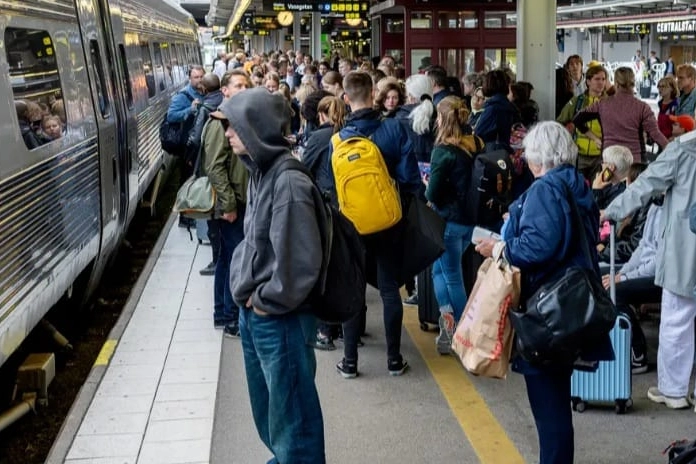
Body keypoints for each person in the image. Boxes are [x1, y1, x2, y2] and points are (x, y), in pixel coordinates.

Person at [476, 121, 609, 464]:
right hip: (570, 302)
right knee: (556, 405)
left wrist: (499, 248)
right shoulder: (574, 183)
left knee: (549, 410)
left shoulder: (544, 189)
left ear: (537, 157)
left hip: (547, 309)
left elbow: (538, 246)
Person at [221, 87, 326, 463]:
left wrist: (265, 303)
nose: (227, 134)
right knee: (273, 416)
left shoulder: (288, 182)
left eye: (233, 127)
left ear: (256, 127)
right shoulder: (261, 172)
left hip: (278, 317)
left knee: (293, 421)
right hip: (259, 314)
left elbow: (299, 262)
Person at [327, 71, 416, 378]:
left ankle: (349, 362)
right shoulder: (395, 129)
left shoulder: (337, 140)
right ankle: (394, 360)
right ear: (375, 93)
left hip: (352, 226)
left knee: (354, 289)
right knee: (390, 289)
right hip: (389, 224)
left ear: (346, 98)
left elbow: (333, 188)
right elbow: (410, 181)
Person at [602, 131, 696, 411]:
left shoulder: (683, 150)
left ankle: (674, 391)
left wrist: (612, 210)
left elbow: (645, 184)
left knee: (677, 319)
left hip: (685, 250)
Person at [425, 96, 479, 354]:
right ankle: (448, 325)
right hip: (470, 220)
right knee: (439, 271)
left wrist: (427, 188)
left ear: (442, 120)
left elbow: (433, 194)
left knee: (453, 277)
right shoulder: (475, 144)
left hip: (448, 222)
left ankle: (463, 333)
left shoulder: (443, 152)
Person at [201, 70, 251, 335]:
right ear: (225, 90)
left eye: (246, 84)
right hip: (233, 202)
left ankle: (223, 313)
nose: (244, 89)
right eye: (238, 85)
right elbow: (215, 167)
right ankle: (231, 318)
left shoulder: (234, 116)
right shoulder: (221, 120)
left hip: (236, 199)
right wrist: (229, 204)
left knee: (226, 258)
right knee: (235, 259)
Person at [601, 193, 663, 375]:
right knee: (599, 278)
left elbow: (658, 262)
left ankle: (637, 353)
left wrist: (625, 278)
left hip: (660, 276)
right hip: (643, 269)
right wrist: (622, 272)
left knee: (616, 290)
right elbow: (643, 246)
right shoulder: (654, 207)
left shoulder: (673, 213)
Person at [573, 67, 667, 163]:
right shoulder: (643, 107)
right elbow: (656, 135)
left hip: (609, 162)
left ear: (616, 84)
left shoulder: (602, 105)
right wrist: (672, 150)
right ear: (633, 83)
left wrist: (596, 139)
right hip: (635, 162)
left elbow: (577, 120)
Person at [167, 65, 205, 227]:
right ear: (190, 78)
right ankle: (185, 217)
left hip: (200, 144)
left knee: (197, 179)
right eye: (196, 77)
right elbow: (171, 116)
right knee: (187, 180)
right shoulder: (182, 96)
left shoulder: (205, 92)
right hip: (187, 146)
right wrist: (190, 109)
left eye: (201, 76)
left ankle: (194, 214)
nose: (199, 80)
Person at [557, 65, 608, 179]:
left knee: (598, 190)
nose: (601, 82)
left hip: (601, 156)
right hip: (579, 156)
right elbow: (560, 122)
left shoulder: (610, 103)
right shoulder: (577, 101)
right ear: (588, 81)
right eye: (597, 79)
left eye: (603, 79)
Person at [474, 69, 520, 152]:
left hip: (491, 153)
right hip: (503, 152)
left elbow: (479, 134)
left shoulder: (493, 108)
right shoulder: (507, 105)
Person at [591, 145, 632, 210]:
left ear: (611, 167)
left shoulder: (621, 194)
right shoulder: (609, 184)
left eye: (603, 162)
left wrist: (596, 191)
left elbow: (595, 214)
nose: (601, 165)